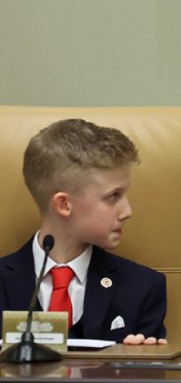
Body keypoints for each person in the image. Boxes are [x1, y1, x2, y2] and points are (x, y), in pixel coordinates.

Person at [0, 119, 167, 345]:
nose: (127, 211)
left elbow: (156, 365)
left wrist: (144, 360)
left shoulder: (143, 287)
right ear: (64, 204)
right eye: (114, 196)